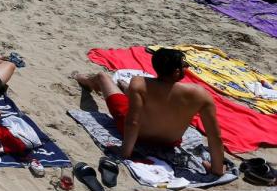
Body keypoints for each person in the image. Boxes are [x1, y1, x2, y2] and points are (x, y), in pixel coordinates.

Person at [73, 48, 226, 176]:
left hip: (139, 134)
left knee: (102, 76)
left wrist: (125, 154)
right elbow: (215, 136)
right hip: (169, 142)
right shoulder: (200, 95)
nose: (185, 67)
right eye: (184, 64)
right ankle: (125, 88)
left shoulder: (140, 83)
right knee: (135, 93)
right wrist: (217, 169)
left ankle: (86, 79)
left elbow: (133, 122)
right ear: (177, 71)